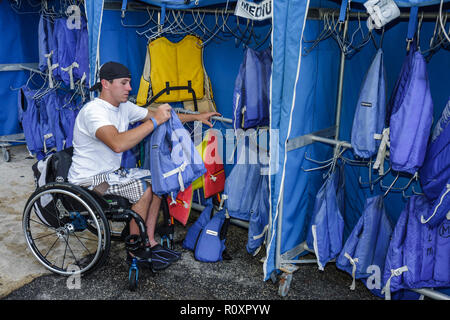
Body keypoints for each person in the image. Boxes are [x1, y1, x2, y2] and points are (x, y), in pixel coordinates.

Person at [67, 61, 220, 270]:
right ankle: (134, 249)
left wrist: (197, 117)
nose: (130, 88)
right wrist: (153, 122)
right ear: (106, 84)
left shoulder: (123, 107)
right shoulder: (94, 112)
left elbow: (161, 118)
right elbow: (118, 143)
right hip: (89, 180)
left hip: (112, 174)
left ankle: (149, 239)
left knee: (157, 181)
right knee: (143, 190)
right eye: (124, 83)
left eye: (129, 82)